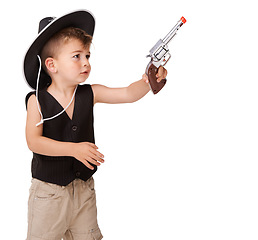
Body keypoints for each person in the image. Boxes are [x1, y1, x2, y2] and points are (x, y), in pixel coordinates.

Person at [24, 10, 167, 240]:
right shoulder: (37, 101)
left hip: (83, 192)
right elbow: (34, 141)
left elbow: (128, 93)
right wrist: (74, 149)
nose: (86, 63)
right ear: (52, 64)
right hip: (48, 196)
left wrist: (149, 80)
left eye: (87, 56)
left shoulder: (90, 93)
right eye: (77, 56)